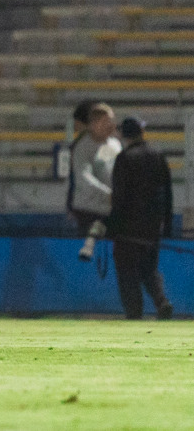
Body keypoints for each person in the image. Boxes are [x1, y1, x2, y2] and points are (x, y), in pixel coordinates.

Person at [106, 117, 174, 320]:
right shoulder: (158, 155)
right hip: (152, 226)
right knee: (149, 270)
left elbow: (119, 197)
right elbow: (167, 192)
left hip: (128, 228)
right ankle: (161, 301)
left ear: (123, 135)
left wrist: (112, 226)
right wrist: (167, 224)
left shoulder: (124, 158)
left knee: (127, 273)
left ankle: (134, 313)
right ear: (141, 132)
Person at [69, 102, 121, 234]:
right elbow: (84, 178)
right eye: (106, 121)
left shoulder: (115, 145)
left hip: (111, 210)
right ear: (93, 124)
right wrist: (108, 194)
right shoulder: (83, 147)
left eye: (111, 121)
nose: (110, 125)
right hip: (89, 210)